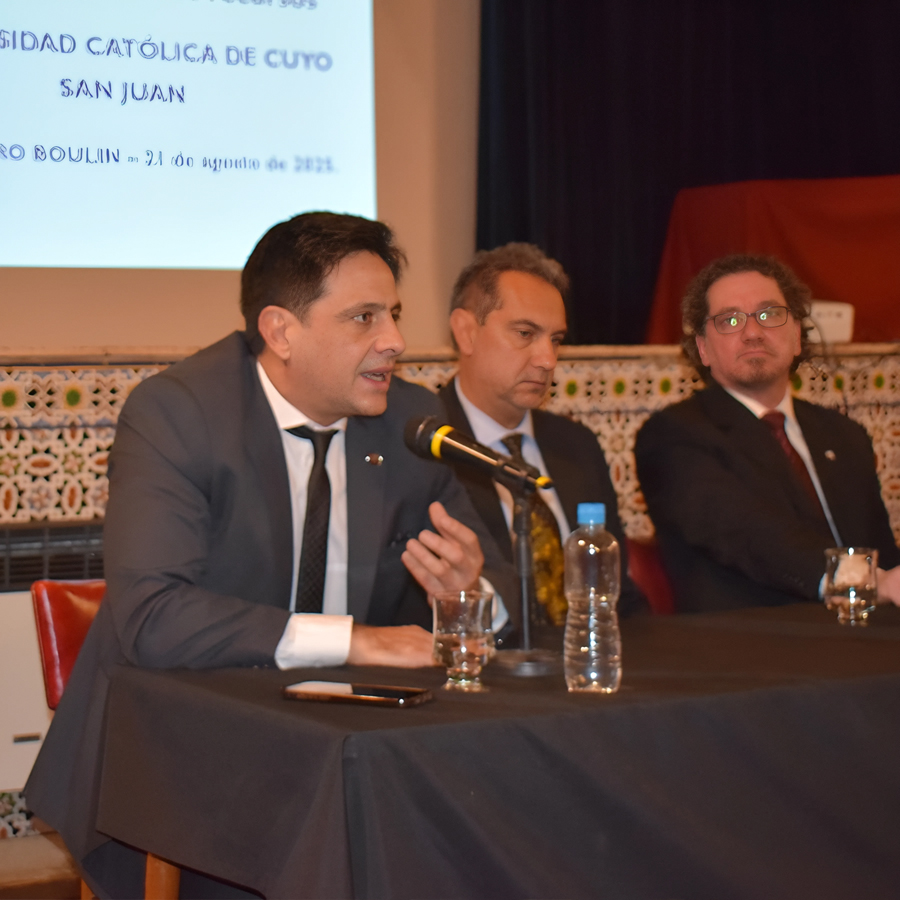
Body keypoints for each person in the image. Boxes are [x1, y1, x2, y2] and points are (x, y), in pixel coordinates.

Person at [25, 212, 515, 897]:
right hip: (183, 755)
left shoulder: (407, 422)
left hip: (345, 747)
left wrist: (469, 596)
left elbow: (501, 594)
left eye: (394, 315)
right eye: (364, 318)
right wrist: (356, 639)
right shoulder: (178, 414)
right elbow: (152, 617)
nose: (395, 341)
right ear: (281, 331)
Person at [635, 253, 900, 613]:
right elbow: (745, 532)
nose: (753, 332)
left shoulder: (844, 435)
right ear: (703, 348)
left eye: (769, 314)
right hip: (752, 638)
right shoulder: (673, 435)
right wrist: (861, 580)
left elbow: (883, 557)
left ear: (797, 336)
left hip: (867, 632)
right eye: (730, 320)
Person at [438, 242, 644, 623]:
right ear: (466, 332)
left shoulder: (577, 445)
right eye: (525, 333)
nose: (548, 360)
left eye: (556, 340)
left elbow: (618, 594)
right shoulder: (425, 446)